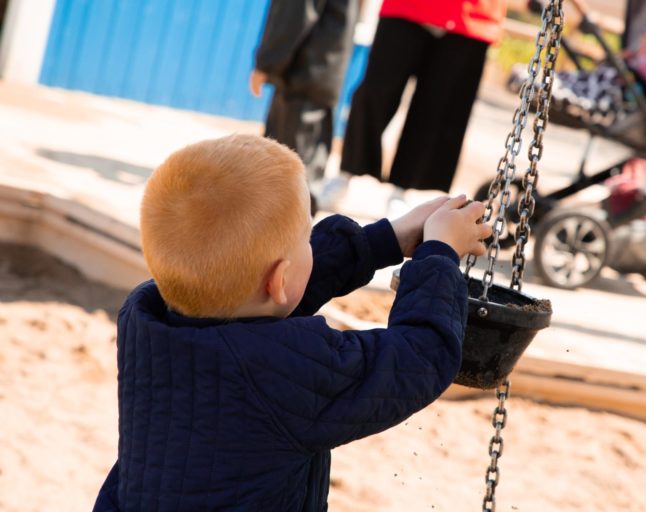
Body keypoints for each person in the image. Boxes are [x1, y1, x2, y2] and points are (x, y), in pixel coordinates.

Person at [92, 134, 491, 511]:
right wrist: (439, 255)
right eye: (306, 238)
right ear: (278, 279)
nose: (310, 246)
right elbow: (419, 358)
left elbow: (263, 289)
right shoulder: (285, 371)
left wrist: (384, 240)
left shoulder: (146, 318)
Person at [329, 0, 507, 206]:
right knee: (375, 92)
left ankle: (403, 191)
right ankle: (347, 172)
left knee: (438, 109)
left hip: (472, 14)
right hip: (408, 6)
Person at [250, 0, 357, 188]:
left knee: (287, 180)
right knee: (301, 180)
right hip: (320, 75)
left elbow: (294, 13)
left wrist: (266, 63)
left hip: (303, 77)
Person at [508, 15, 646, 127]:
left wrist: (632, 67)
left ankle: (566, 95)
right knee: (588, 76)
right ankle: (557, 83)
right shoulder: (637, 57)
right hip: (598, 83)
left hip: (615, 99)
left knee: (605, 81)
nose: (645, 46)